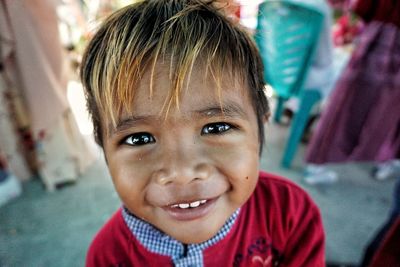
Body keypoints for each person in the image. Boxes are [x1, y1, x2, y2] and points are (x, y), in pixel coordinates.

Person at [81, 1, 325, 266]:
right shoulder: (108, 258)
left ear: (261, 123)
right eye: (139, 138)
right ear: (103, 148)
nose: (182, 172)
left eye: (216, 128)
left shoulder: (290, 213)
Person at [304, 0, 400, 183]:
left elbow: (362, 7)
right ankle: (387, 159)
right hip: (383, 40)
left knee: (347, 103)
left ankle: (317, 162)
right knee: (368, 107)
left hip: (380, 38)